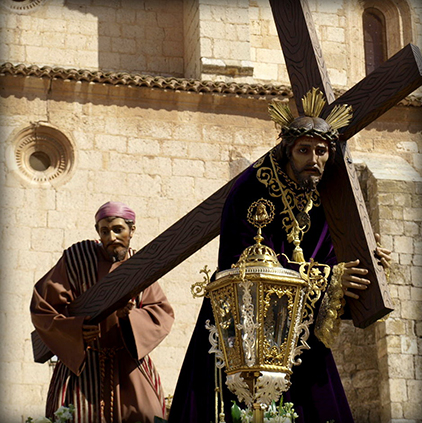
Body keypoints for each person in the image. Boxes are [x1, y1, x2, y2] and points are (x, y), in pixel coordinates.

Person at [169, 90, 391, 423]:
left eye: (321, 151)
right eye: (304, 151)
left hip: (296, 336)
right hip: (242, 335)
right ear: (288, 151)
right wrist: (330, 279)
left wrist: (366, 260)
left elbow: (334, 259)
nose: (313, 160)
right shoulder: (251, 190)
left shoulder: (322, 196)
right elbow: (247, 271)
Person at [31, 201, 174, 423]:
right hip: (82, 369)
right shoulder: (77, 259)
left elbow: (161, 313)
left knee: (146, 414)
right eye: (104, 231)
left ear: (132, 230)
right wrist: (75, 331)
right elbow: (43, 307)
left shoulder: (141, 265)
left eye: (118, 230)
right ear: (97, 232)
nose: (111, 237)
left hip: (130, 369)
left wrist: (130, 316)